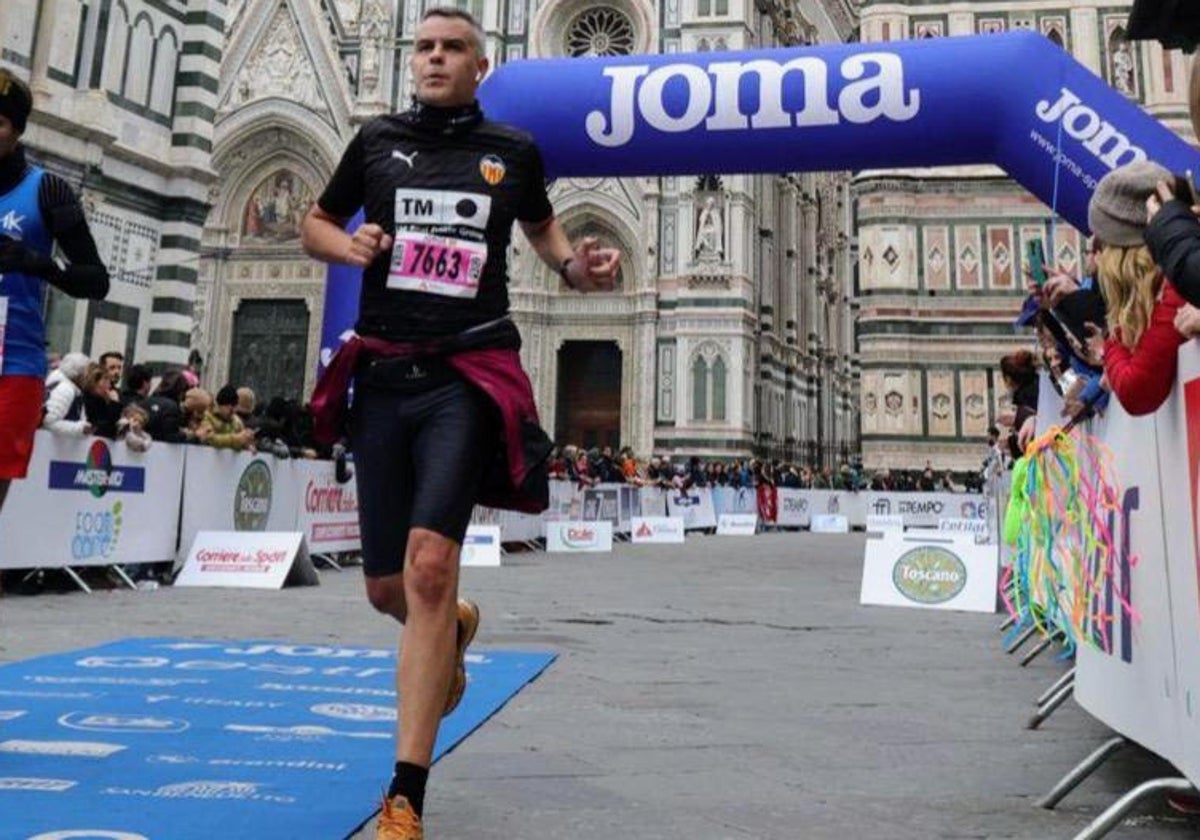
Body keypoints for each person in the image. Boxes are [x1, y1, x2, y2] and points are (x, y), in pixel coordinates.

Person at [299, 8, 620, 838]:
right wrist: (347, 249)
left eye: (453, 50)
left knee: (430, 566)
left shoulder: (512, 152)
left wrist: (582, 269)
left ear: (482, 66)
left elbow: (551, 244)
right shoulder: (375, 141)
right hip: (384, 374)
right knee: (385, 590)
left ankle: (405, 795)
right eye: (426, 47)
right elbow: (313, 222)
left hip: (465, 376)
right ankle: (452, 632)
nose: (436, 58)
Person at [0, 69, 109, 521]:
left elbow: (95, 280)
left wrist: (35, 261)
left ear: (18, 128)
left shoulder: (46, 190)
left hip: (14, 362)